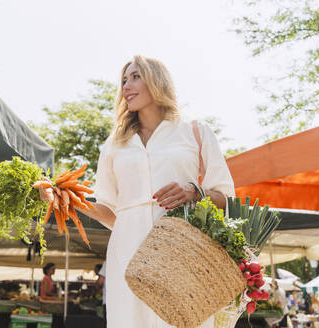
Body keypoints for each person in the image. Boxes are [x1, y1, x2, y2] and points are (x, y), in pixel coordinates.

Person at [39, 55, 235, 327]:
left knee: (183, 320)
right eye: (123, 81)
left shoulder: (194, 130)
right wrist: (69, 200)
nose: (126, 86)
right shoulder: (114, 143)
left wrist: (194, 191)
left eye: (135, 77)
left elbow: (227, 199)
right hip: (127, 248)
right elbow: (109, 211)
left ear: (157, 80)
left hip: (183, 247)